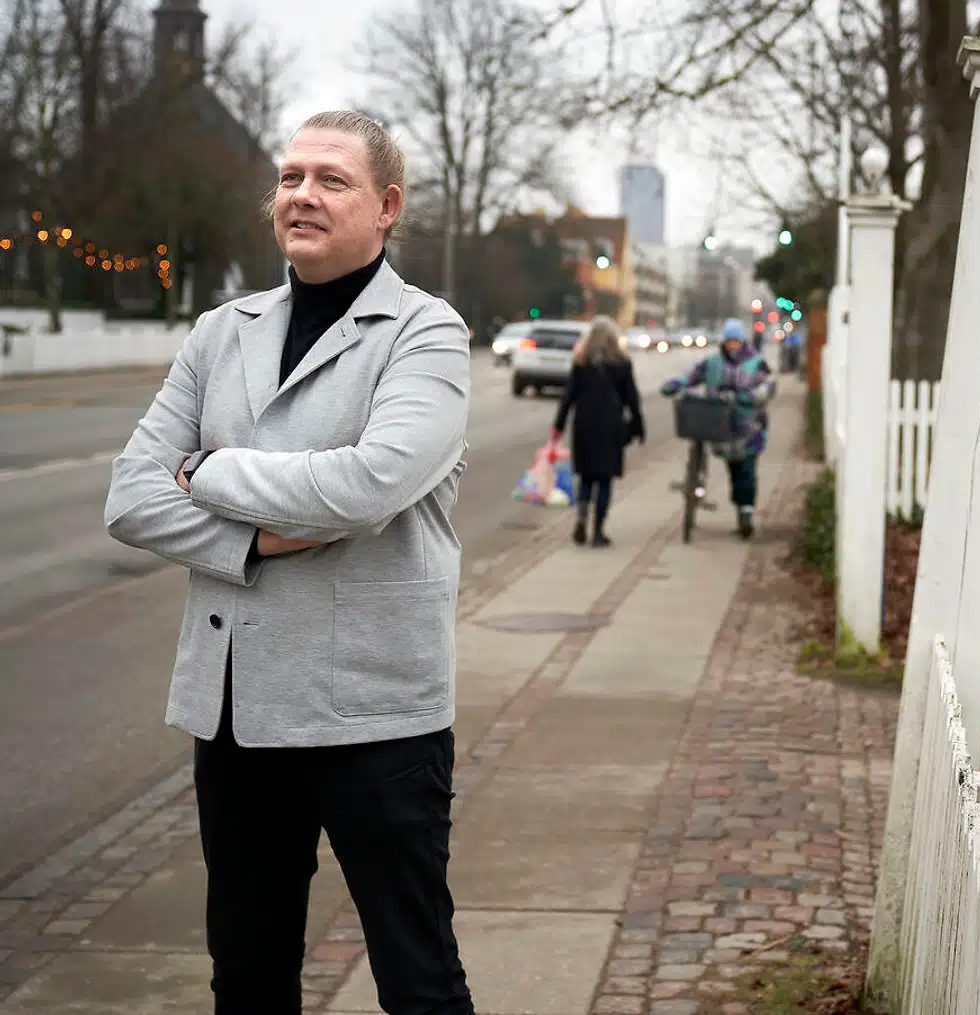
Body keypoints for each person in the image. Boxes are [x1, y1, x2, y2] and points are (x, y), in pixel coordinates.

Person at [103, 110, 475, 1015]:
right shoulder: (220, 330)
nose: (301, 194)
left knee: (417, 977)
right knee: (249, 972)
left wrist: (210, 471)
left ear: (386, 207)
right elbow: (128, 498)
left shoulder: (426, 333)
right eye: (290, 175)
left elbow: (369, 485)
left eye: (331, 179)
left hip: (374, 715)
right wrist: (253, 539)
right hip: (237, 712)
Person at [661, 317, 777, 538]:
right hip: (721, 424)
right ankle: (740, 508)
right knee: (733, 470)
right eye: (729, 341)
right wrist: (677, 383)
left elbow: (768, 387)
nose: (732, 345)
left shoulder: (756, 363)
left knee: (747, 471)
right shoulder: (713, 363)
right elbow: (693, 376)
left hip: (749, 427)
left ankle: (746, 514)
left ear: (743, 341)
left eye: (736, 341)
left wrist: (747, 397)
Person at [552, 316, 645, 547]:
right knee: (605, 480)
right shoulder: (622, 364)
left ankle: (582, 517)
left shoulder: (581, 363)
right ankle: (598, 531)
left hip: (584, 426)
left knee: (586, 478)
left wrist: (558, 427)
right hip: (611, 428)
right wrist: (638, 426)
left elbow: (568, 397)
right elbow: (632, 399)